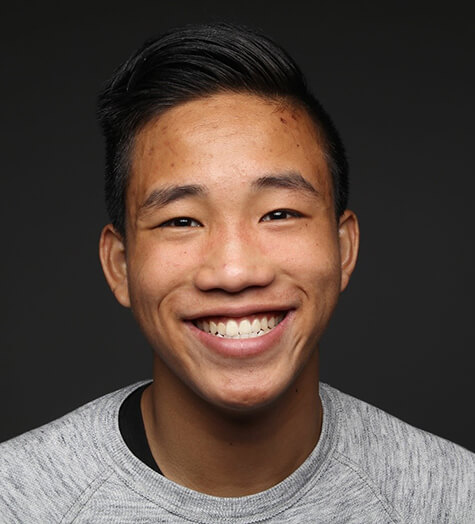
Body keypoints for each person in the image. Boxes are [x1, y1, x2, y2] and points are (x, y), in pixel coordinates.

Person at [0, 23, 473, 523]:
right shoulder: (19, 502)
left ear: (343, 248)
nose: (233, 270)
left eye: (279, 213)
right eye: (181, 220)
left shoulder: (452, 500)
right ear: (120, 265)